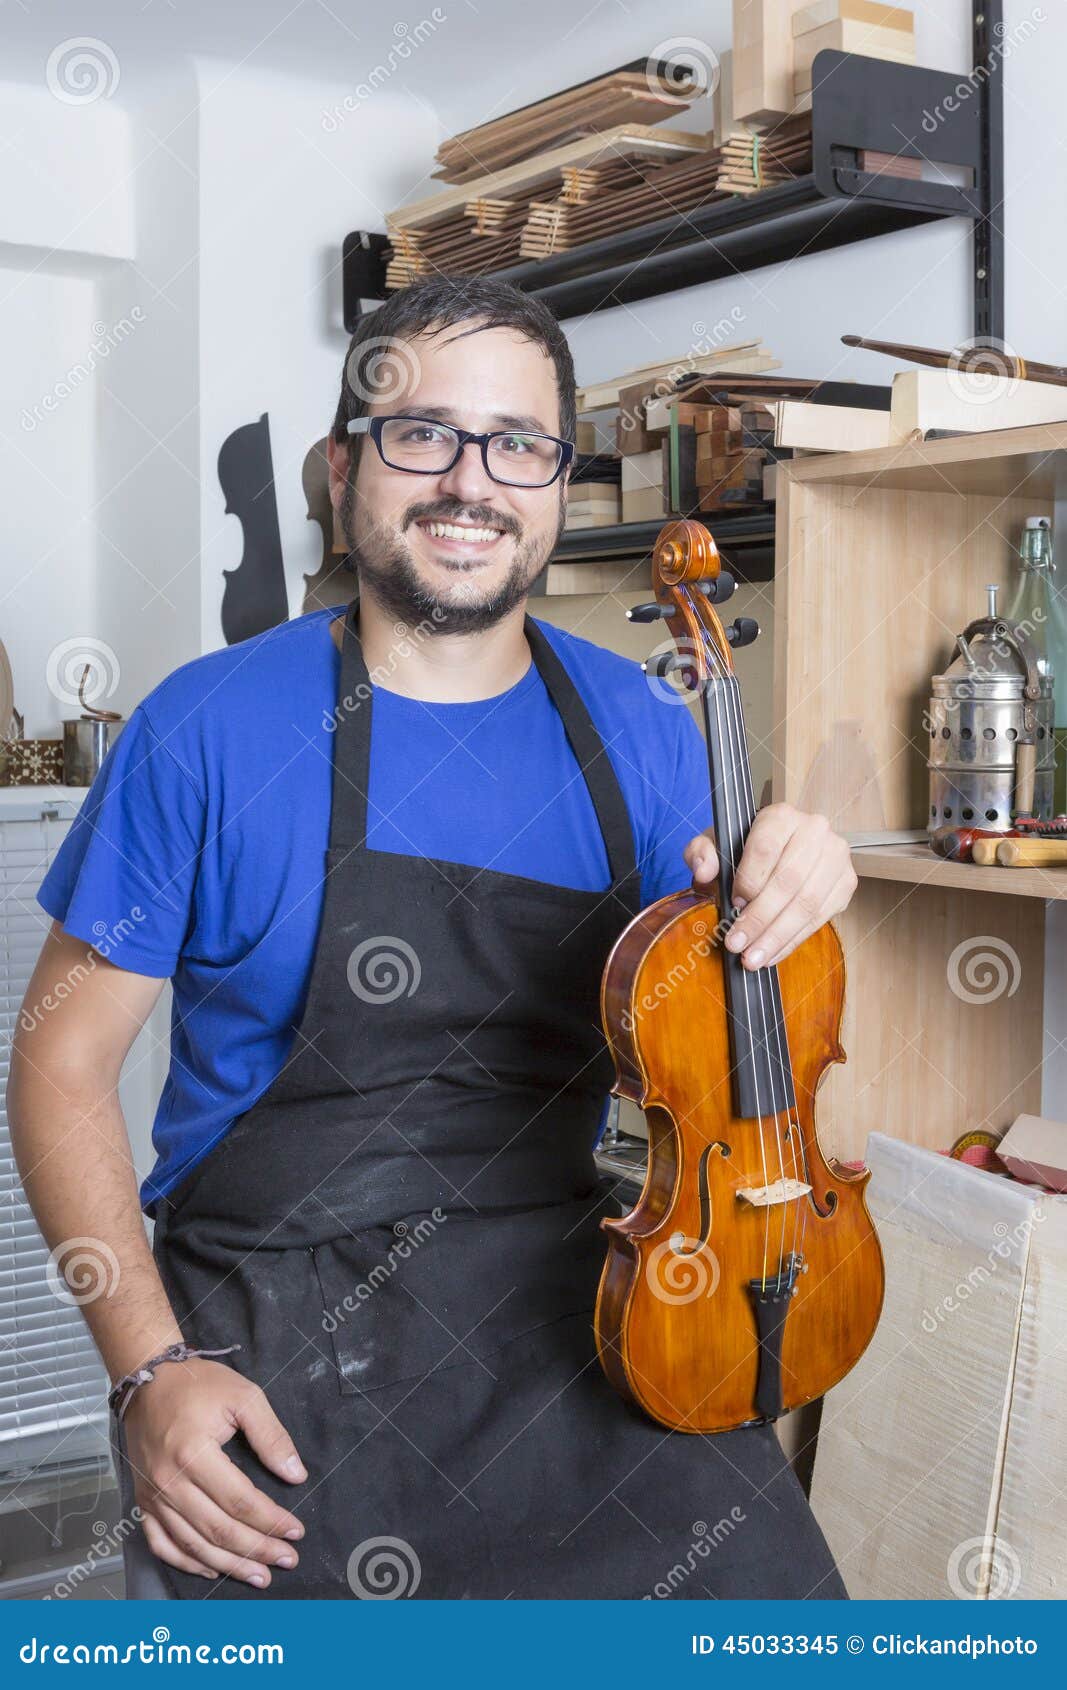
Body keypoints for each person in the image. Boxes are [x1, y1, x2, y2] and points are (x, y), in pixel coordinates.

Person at [11, 276, 857, 1600]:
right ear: (346, 468)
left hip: (579, 1302)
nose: (472, 482)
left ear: (559, 484)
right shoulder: (205, 728)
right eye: (424, 435)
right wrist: (149, 1370)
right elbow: (60, 1067)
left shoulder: (645, 730)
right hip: (272, 1325)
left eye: (518, 444)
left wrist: (798, 883)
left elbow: (732, 1029)